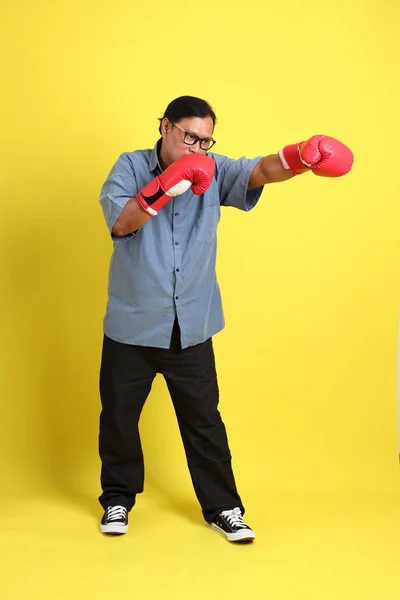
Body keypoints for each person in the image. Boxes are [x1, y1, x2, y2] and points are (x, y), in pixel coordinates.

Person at [98, 95, 353, 542]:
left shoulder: (214, 168)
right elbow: (121, 223)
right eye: (189, 136)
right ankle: (118, 499)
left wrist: (299, 156)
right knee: (119, 418)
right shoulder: (130, 166)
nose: (198, 148)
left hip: (191, 325)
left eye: (206, 139)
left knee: (204, 423)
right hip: (133, 323)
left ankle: (224, 508)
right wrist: (168, 184)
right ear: (165, 127)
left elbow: (260, 171)